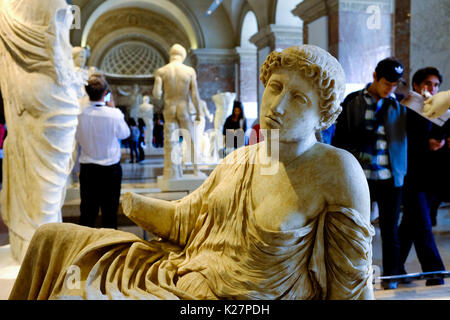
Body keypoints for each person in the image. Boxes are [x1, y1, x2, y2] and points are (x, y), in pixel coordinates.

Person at [9, 45, 374, 300]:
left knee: (75, 295)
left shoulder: (336, 170)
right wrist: (136, 203)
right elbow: (185, 220)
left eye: (299, 98)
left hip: (235, 299)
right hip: (187, 272)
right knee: (51, 238)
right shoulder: (242, 159)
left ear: (324, 115)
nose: (277, 105)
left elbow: (352, 284)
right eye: (275, 88)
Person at [0, 0, 84, 262]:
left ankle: (29, 248)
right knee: (48, 186)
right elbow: (58, 58)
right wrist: (75, 80)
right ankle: (42, 258)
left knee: (28, 170)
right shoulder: (53, 1)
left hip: (24, 89)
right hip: (51, 94)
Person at [332, 57, 407, 289]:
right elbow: (340, 138)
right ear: (375, 77)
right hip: (360, 177)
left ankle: (391, 278)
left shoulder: (400, 105)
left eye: (395, 84)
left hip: (390, 177)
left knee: (390, 232)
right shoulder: (353, 102)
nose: (391, 88)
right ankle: (355, 278)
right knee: (357, 229)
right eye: (387, 83)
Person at [397, 67, 447, 286]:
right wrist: (426, 143)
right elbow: (404, 140)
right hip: (411, 176)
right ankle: (435, 271)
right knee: (422, 223)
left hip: (431, 176)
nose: (432, 89)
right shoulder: (408, 106)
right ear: (417, 85)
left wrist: (441, 142)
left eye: (436, 85)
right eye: (428, 84)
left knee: (410, 225)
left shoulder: (439, 107)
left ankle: (395, 267)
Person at [76, 75, 130, 229]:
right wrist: (112, 108)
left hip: (88, 169)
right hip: (110, 169)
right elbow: (125, 134)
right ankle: (109, 249)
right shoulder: (114, 114)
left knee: (87, 213)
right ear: (106, 92)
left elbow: (76, 137)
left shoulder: (79, 115)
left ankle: (84, 248)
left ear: (87, 92)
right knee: (110, 213)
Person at [153, 44, 201, 179]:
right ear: (183, 55)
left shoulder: (162, 71)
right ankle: (196, 170)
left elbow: (156, 94)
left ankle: (172, 171)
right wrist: (199, 112)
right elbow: (195, 94)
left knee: (171, 141)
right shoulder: (189, 71)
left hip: (169, 108)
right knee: (190, 139)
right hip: (183, 107)